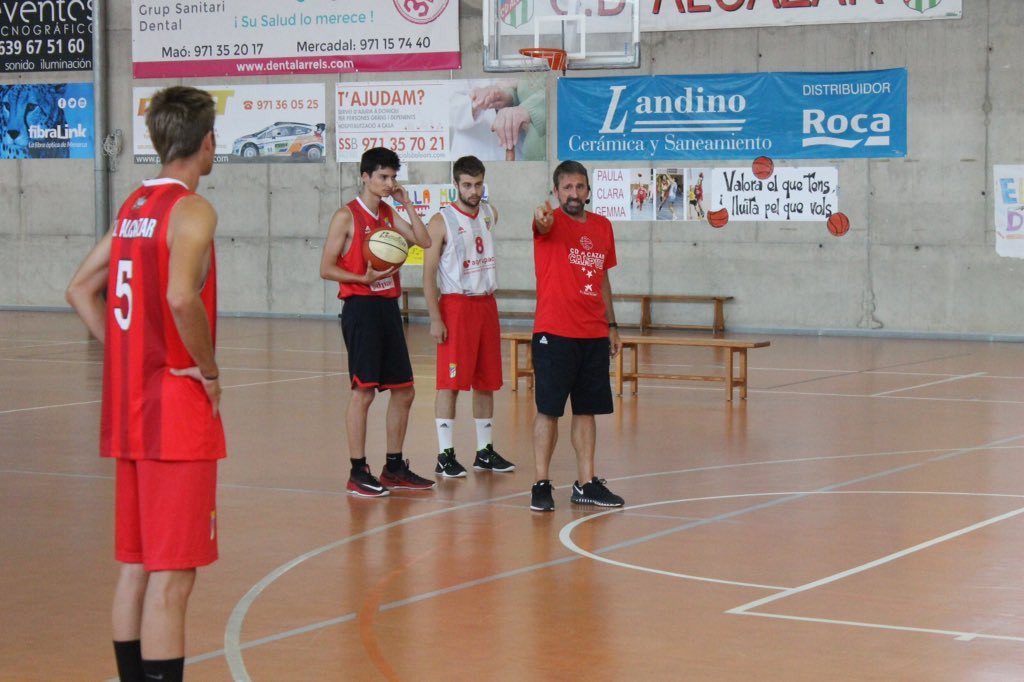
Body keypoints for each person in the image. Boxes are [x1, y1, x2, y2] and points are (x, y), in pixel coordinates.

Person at [65, 85, 225, 682]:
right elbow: (182, 296)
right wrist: (208, 371)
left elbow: (80, 289)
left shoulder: (133, 206)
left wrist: (130, 351)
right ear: (206, 142)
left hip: (130, 412)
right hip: (175, 414)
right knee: (172, 578)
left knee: (135, 565)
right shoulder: (192, 210)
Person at [319, 147, 435, 497]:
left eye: (392, 177)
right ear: (365, 177)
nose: (388, 183)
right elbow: (325, 268)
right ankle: (358, 471)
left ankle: (394, 467)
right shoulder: (346, 216)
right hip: (361, 307)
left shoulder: (387, 212)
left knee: (405, 391)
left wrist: (406, 203)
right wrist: (361, 280)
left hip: (387, 308)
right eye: (383, 177)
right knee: (364, 392)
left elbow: (425, 240)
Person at [529, 160, 625, 512]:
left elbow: (602, 278)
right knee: (549, 410)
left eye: (579, 187)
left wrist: (612, 325)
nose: (573, 193)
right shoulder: (549, 222)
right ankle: (541, 483)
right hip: (554, 332)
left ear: (588, 190)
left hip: (594, 332)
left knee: (587, 411)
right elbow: (541, 224)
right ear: (556, 191)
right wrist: (542, 218)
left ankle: (585, 483)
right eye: (566, 187)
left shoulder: (602, 226)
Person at [422, 156, 515, 478]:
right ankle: (445, 455)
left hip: (486, 303)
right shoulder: (441, 221)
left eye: (478, 185)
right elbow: (428, 274)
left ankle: (484, 452)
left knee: (486, 382)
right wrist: (435, 317)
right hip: (456, 305)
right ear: (456, 185)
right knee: (450, 383)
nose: (473, 191)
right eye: (467, 185)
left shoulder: (489, 213)